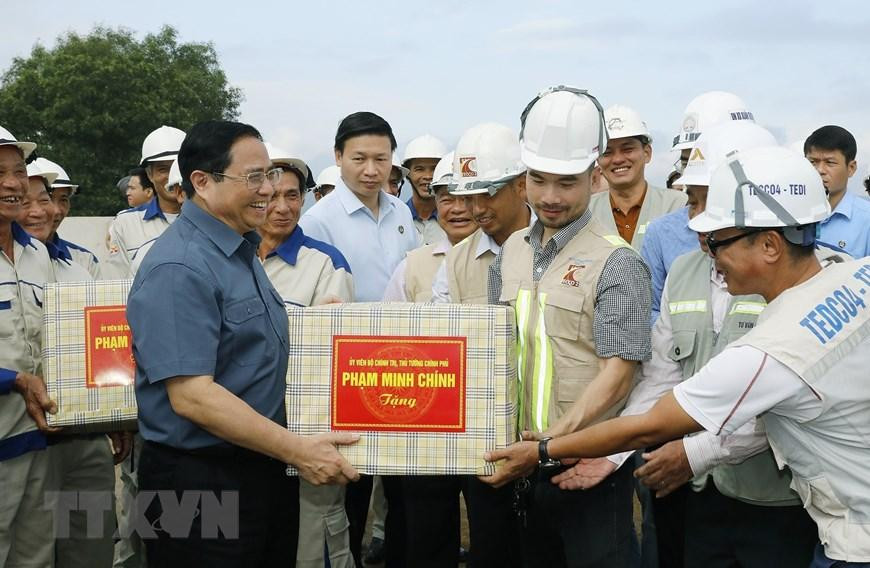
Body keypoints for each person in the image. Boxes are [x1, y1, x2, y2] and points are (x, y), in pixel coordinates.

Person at [486, 145, 870, 568]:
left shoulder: (773, 347)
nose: (709, 251)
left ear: (770, 245)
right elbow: (661, 377)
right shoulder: (855, 275)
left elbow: (650, 425)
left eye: (719, 240)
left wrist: (543, 451)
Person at [127, 120, 359, 568]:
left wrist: (319, 328)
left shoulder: (236, 250)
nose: (269, 190)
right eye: (254, 177)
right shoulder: (179, 266)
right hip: (195, 483)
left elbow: (246, 347)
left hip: (257, 466)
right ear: (202, 182)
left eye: (269, 175)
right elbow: (193, 397)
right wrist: (298, 450)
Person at [483, 86, 652, 567]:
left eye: (567, 182)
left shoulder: (617, 261)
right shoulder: (511, 251)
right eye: (538, 180)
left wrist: (549, 445)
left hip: (587, 466)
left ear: (594, 177)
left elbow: (619, 374)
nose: (551, 197)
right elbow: (497, 352)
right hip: (522, 464)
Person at [299, 111, 417, 567]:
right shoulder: (319, 221)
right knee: (352, 478)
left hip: (404, 362)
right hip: (349, 368)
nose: (371, 170)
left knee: (403, 477)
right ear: (338, 158)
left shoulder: (401, 211)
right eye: (360, 159)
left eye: (381, 159)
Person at [22, 160, 130, 568]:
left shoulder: (83, 266)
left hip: (83, 440)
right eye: (24, 199)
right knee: (30, 550)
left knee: (86, 544)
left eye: (47, 199)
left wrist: (115, 416)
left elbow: (108, 347)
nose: (40, 210)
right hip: (19, 439)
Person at [257, 142, 354, 568]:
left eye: (292, 195)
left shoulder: (325, 263)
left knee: (314, 544)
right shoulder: (228, 260)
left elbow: (331, 359)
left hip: (306, 431)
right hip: (241, 430)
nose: (281, 207)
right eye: (270, 196)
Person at [642, 94, 759, 324]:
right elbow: (650, 313)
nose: (694, 171)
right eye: (686, 161)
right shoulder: (661, 234)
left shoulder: (785, 250)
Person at [0, 125, 59, 568]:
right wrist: (16, 380)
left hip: (36, 438)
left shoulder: (37, 253)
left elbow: (54, 340)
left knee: (35, 554)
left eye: (18, 170)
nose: (12, 182)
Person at [429, 123, 532, 305]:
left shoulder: (560, 246)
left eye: (487, 195)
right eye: (468, 198)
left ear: (521, 185)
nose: (477, 209)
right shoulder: (454, 265)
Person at [589, 104, 686, 252]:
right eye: (607, 152)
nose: (618, 159)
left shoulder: (678, 205)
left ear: (647, 153)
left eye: (627, 149)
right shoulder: (585, 212)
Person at [384, 151, 476, 302]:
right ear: (436, 202)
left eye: (467, 199)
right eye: (447, 200)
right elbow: (388, 321)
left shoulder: (500, 261)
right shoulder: (411, 268)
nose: (458, 208)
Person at [103, 125, 186, 280]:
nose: (172, 176)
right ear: (149, 174)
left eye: (178, 167)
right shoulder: (126, 223)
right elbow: (117, 283)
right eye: (163, 169)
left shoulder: (212, 220)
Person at [804, 125, 870, 258]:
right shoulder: (789, 213)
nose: (820, 170)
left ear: (851, 168)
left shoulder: (866, 220)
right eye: (812, 162)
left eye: (830, 162)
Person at [35, 157, 102, 280]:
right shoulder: (8, 258)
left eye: (63, 200)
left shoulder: (84, 261)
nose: (56, 210)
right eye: (46, 199)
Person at [402, 134, 448, 245]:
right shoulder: (398, 217)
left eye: (434, 169)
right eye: (419, 169)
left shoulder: (456, 219)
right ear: (408, 174)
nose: (427, 176)